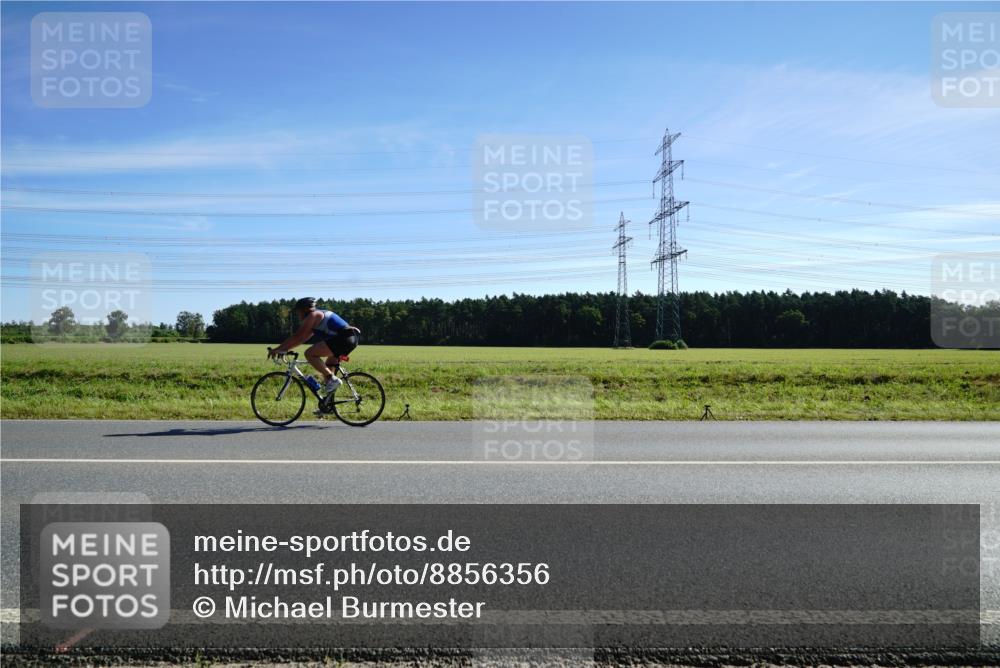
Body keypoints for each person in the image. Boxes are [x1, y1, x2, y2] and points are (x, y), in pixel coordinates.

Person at [269, 297, 360, 394]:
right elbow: (302, 339)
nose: (298, 314)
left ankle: (332, 379)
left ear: (304, 310)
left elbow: (298, 337)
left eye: (298, 312)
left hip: (343, 339)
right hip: (349, 339)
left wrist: (278, 349)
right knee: (328, 374)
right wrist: (283, 349)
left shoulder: (313, 315)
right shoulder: (317, 316)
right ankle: (328, 406)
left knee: (309, 354)